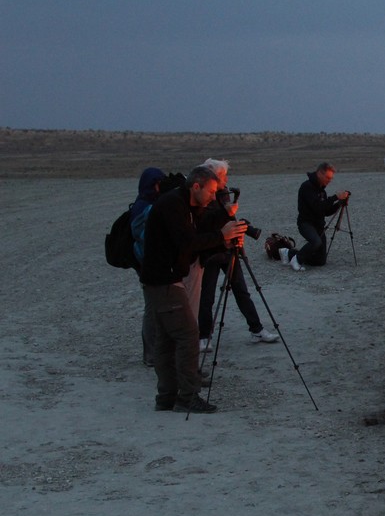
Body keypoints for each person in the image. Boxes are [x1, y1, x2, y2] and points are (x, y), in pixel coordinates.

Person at [140, 165, 246, 414]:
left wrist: (224, 223)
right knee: (188, 336)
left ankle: (166, 398)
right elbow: (187, 242)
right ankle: (187, 398)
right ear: (195, 186)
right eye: (211, 192)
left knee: (166, 341)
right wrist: (222, 236)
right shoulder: (173, 205)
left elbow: (198, 233)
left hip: (163, 279)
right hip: (164, 282)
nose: (212, 197)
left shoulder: (187, 205)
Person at [195, 158, 280, 351]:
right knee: (207, 296)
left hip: (228, 250)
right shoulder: (203, 196)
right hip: (210, 252)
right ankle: (203, 336)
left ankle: (256, 330)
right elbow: (204, 224)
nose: (225, 180)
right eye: (223, 176)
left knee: (241, 290)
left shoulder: (223, 194)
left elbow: (228, 219)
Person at [280, 162, 350, 270]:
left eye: (331, 178)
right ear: (319, 173)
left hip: (318, 226)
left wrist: (339, 203)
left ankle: (289, 253)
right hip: (306, 224)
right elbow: (317, 207)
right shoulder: (307, 187)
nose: (329, 180)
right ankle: (297, 259)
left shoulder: (322, 191)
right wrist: (335, 197)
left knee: (320, 260)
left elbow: (325, 211)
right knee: (316, 242)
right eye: (327, 177)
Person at [130, 167, 167, 367]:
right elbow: (146, 238)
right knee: (153, 310)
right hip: (148, 266)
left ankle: (156, 352)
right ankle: (151, 355)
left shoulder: (146, 204)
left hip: (149, 264)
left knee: (157, 309)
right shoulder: (144, 208)